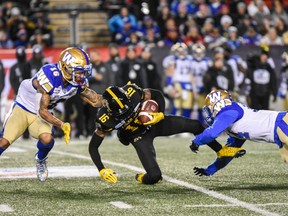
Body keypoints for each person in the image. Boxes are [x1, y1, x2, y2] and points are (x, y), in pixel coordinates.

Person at [88, 83, 246, 185]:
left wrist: (160, 114)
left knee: (196, 125)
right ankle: (141, 177)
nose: (127, 111)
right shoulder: (104, 119)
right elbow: (93, 146)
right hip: (138, 135)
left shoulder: (132, 92)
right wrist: (101, 169)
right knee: (155, 176)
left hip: (155, 123)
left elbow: (156, 94)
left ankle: (220, 150)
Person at [0, 47, 102, 182]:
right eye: (78, 72)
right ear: (65, 68)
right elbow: (41, 110)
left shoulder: (76, 83)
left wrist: (115, 98)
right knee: (4, 142)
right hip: (25, 106)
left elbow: (95, 101)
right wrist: (61, 124)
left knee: (47, 139)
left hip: (43, 110)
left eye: (83, 73)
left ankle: (40, 160)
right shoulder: (50, 74)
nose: (81, 76)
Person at [189, 89, 288, 176]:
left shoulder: (228, 110)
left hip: (282, 123)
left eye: (209, 106)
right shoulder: (232, 124)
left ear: (217, 103)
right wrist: (210, 170)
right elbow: (228, 153)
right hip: (279, 131)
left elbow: (211, 134)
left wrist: (196, 142)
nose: (209, 111)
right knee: (286, 157)